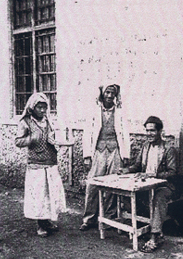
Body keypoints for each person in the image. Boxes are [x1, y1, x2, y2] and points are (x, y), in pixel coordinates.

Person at [122, 116, 177, 253]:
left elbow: (172, 172)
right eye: (147, 131)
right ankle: (141, 226)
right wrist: (127, 170)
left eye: (152, 131)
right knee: (126, 193)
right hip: (147, 184)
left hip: (165, 186)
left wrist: (154, 175)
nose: (149, 134)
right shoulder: (145, 146)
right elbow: (138, 165)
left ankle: (154, 237)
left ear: (159, 131)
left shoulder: (169, 149)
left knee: (158, 198)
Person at [80, 84, 131, 231]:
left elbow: (125, 132)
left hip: (115, 150)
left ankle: (108, 217)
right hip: (99, 150)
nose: (110, 96)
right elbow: (88, 132)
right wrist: (87, 155)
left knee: (112, 184)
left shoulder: (120, 111)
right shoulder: (94, 110)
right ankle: (89, 218)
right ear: (102, 94)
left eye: (112, 93)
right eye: (107, 92)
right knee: (93, 184)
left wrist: (125, 154)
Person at [15, 92, 66, 237]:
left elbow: (53, 134)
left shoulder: (47, 120)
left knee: (50, 193)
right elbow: (18, 141)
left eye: (45, 107)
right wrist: (32, 138)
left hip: (50, 161)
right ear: (32, 108)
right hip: (36, 164)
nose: (43, 111)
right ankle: (40, 225)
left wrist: (54, 139)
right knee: (39, 195)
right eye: (40, 108)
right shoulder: (25, 121)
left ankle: (47, 220)